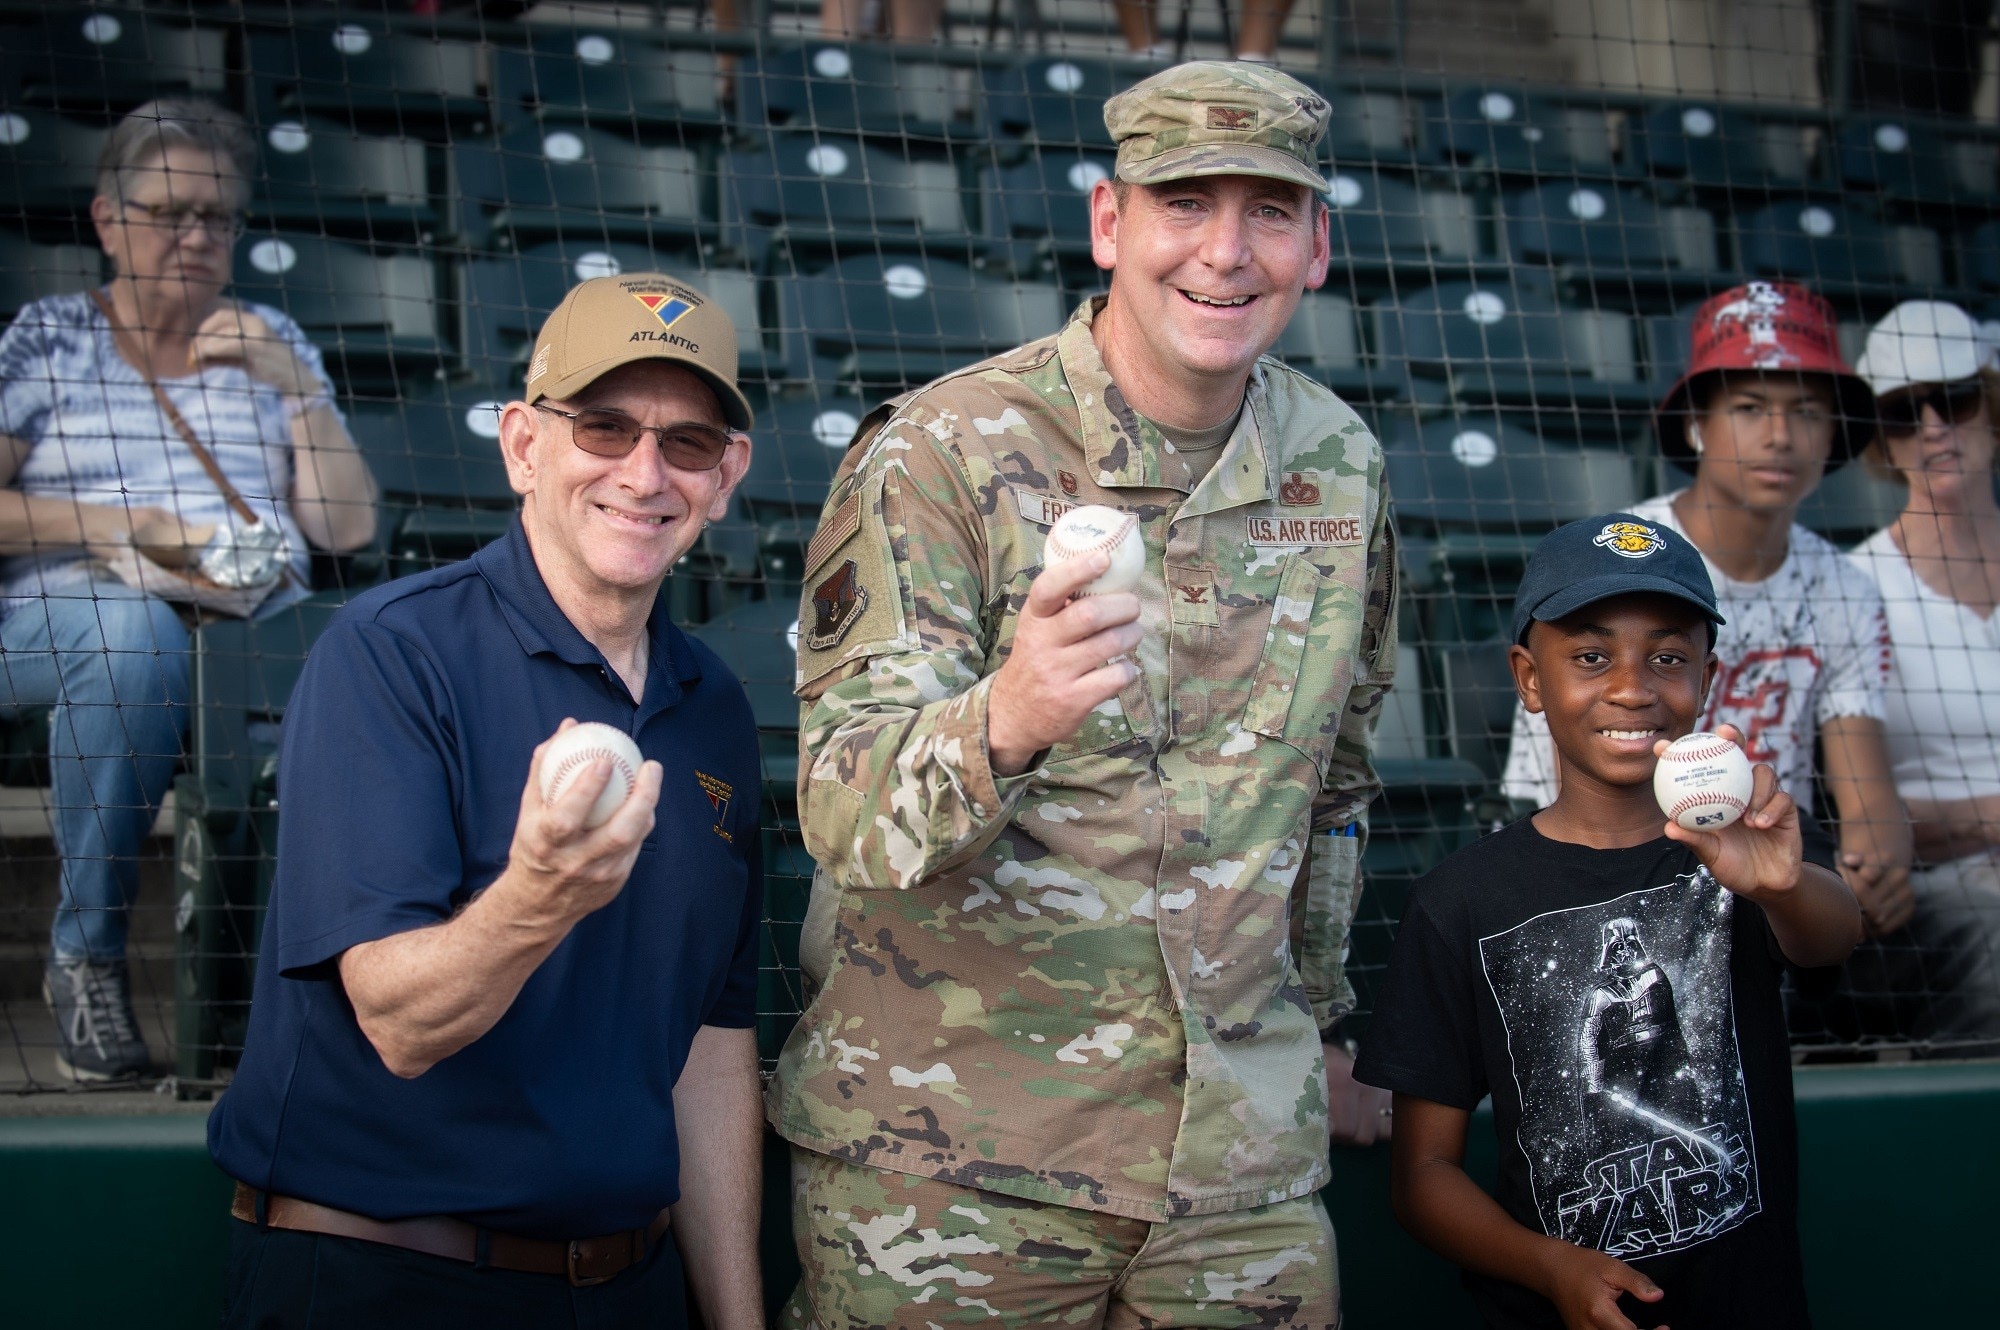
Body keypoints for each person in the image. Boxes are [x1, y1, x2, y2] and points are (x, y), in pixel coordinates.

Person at [769, 61, 1396, 1326]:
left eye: (1270, 210)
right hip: (952, 1167)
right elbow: (844, 813)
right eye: (1184, 203)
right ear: (1111, 223)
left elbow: (1334, 783)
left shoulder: (1337, 463)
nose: (1225, 252)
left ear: (1316, 246)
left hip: (1237, 1173)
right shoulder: (941, 452)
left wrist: (1320, 1016)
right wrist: (1010, 716)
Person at [207, 274, 765, 1329]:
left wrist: (735, 1318)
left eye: (686, 443)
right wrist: (544, 894)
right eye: (603, 427)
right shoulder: (392, 653)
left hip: (629, 1288)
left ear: (725, 475)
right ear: (523, 445)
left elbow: (708, 1043)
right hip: (386, 1279)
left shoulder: (713, 703)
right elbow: (401, 1023)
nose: (643, 473)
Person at [1357, 514, 1862, 1330]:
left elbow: (1835, 936)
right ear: (1529, 678)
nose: (1633, 687)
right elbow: (1424, 1176)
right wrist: (1551, 1267)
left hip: (1750, 1304)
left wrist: (1780, 882)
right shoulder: (1459, 899)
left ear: (1708, 676)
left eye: (1668, 657)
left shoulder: (1738, 848)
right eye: (1591, 657)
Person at [0, 98, 378, 1082]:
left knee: (370, 665)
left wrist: (293, 384)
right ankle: (84, 956)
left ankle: (309, 997)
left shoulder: (270, 335)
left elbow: (346, 527)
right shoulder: (48, 337)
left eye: (216, 215)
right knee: (136, 640)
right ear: (107, 220)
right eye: (170, 212)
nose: (197, 234)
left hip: (253, 622)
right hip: (67, 615)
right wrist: (120, 529)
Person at [1502, 280, 1915, 947]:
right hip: (1620, 848)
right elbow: (1561, 788)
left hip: (1770, 854)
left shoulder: (1846, 586)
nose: (1780, 436)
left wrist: (1875, 868)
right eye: (1751, 407)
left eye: (1807, 412)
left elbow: (1865, 785)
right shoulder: (1617, 560)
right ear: (1698, 421)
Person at [1840, 300, 2000, 1055]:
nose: (1935, 427)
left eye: (1956, 400)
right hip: (1941, 889)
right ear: (1880, 437)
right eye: (1905, 413)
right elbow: (1856, 817)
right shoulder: (1852, 587)